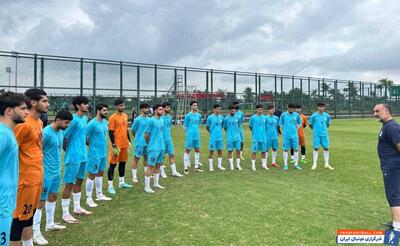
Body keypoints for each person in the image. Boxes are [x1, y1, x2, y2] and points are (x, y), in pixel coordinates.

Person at [11, 89, 49, 246]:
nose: (48, 104)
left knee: (29, 217)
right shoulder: (23, 124)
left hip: (37, 178)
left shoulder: (39, 122)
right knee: (18, 220)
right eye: (44, 101)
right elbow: (10, 151)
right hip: (25, 180)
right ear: (33, 102)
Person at [32, 110, 72, 245]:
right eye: (66, 123)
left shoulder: (60, 133)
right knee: (40, 202)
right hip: (45, 173)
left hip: (56, 172)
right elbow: (36, 150)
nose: (67, 126)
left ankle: (50, 224)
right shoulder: (46, 133)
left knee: (53, 196)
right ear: (58, 120)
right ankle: (35, 233)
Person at [0, 92, 28, 246]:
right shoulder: (2, 134)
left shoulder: (8, 132)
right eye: (23, 108)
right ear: (9, 111)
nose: (27, 112)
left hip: (6, 201)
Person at [61, 96, 91, 225]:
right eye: (84, 104)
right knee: (69, 183)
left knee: (79, 181)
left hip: (83, 155)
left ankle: (77, 207)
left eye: (87, 104)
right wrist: (70, 152)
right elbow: (64, 137)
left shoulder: (84, 118)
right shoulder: (72, 120)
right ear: (78, 106)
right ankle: (65, 213)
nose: (87, 106)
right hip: (74, 156)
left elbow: (83, 137)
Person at [374, 103, 400, 231]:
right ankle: (397, 222)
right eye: (374, 112)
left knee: (393, 195)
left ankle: (397, 228)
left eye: (377, 111)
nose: (375, 114)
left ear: (387, 111)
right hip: (390, 166)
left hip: (393, 167)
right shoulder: (387, 126)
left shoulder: (391, 127)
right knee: (395, 194)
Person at [85, 104, 112, 209]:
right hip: (94, 154)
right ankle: (88, 199)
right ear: (98, 111)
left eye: (107, 110)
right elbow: (85, 137)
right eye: (104, 110)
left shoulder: (106, 123)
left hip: (103, 153)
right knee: (91, 175)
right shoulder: (92, 124)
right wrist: (93, 146)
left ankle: (99, 194)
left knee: (100, 173)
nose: (106, 112)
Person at [107, 99, 132, 194]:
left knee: (123, 163)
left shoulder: (125, 116)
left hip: (124, 145)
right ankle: (110, 186)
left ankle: (121, 182)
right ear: (116, 106)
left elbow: (126, 130)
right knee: (113, 165)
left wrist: (129, 140)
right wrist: (113, 144)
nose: (123, 107)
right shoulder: (113, 117)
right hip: (116, 146)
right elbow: (110, 132)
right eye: (121, 106)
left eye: (124, 105)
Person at [143, 104, 165, 193]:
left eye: (162, 109)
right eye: (160, 109)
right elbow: (146, 134)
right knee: (150, 166)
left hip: (161, 147)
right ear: (155, 111)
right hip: (153, 147)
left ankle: (156, 183)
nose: (162, 111)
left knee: (158, 165)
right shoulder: (151, 121)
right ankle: (146, 187)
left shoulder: (161, 120)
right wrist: (150, 144)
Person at [160, 102, 183, 177]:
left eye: (169, 107)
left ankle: (174, 171)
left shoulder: (170, 117)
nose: (169, 109)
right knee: (162, 157)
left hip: (168, 140)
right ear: (163, 108)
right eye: (167, 107)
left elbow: (169, 127)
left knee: (172, 155)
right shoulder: (160, 118)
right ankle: (162, 171)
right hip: (161, 140)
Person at [309, 102, 334, 170]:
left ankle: (326, 164)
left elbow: (328, 124)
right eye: (320, 107)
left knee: (326, 148)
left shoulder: (327, 116)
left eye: (323, 107)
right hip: (317, 135)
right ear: (317, 107)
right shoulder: (314, 115)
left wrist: (324, 130)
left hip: (325, 135)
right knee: (316, 148)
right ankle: (314, 164)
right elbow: (310, 124)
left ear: (324, 107)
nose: (321, 108)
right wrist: (315, 130)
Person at [131, 103, 150, 184]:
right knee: (136, 159)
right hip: (139, 143)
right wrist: (138, 138)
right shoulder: (138, 119)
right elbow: (133, 130)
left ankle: (147, 173)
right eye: (146, 108)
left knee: (146, 158)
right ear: (142, 109)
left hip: (147, 143)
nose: (147, 109)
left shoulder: (149, 119)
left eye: (148, 108)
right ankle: (134, 177)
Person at [279, 103, 302, 171]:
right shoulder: (283, 115)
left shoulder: (296, 115)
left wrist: (295, 128)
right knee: (285, 149)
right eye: (290, 108)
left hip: (294, 135)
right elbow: (280, 123)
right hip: (286, 135)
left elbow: (300, 123)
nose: (291, 110)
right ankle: (285, 164)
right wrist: (285, 129)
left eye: (292, 109)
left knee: (296, 149)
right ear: (287, 108)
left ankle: (296, 164)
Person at [183, 101, 203, 174]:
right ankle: (185, 168)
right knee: (187, 150)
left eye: (196, 105)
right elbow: (185, 126)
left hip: (197, 135)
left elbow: (199, 124)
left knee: (197, 150)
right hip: (190, 136)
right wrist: (187, 135)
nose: (196, 106)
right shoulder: (188, 115)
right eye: (194, 105)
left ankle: (196, 166)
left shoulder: (199, 115)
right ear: (191, 106)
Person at [206, 104, 225, 171]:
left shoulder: (222, 117)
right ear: (214, 109)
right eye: (217, 109)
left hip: (220, 137)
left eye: (219, 109)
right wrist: (212, 132)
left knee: (220, 151)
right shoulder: (210, 117)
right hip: (213, 137)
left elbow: (222, 126)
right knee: (211, 151)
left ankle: (219, 165)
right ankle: (211, 166)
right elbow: (207, 127)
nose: (218, 110)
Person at [249, 104, 268, 171]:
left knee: (263, 151)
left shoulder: (265, 117)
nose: (260, 111)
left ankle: (263, 165)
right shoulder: (253, 118)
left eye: (261, 109)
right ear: (256, 110)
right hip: (256, 137)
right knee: (254, 151)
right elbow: (250, 126)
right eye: (259, 109)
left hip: (263, 137)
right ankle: (253, 165)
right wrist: (255, 132)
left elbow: (266, 127)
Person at [224, 105, 242, 171]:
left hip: (237, 137)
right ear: (229, 110)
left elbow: (239, 125)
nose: (233, 111)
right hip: (230, 138)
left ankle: (238, 165)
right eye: (231, 110)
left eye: (234, 110)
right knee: (230, 151)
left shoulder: (237, 117)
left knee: (238, 151)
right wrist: (229, 133)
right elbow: (225, 127)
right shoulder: (226, 119)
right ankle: (231, 165)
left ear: (235, 110)